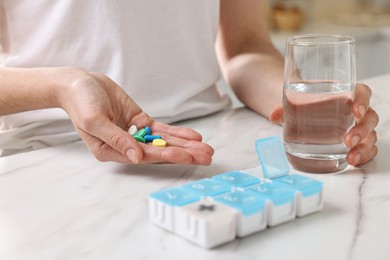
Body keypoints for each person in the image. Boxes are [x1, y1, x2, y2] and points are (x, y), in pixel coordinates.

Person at [0, 0, 378, 167]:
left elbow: (246, 46)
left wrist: (301, 102)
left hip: (212, 145)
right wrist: (64, 85)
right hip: (48, 154)